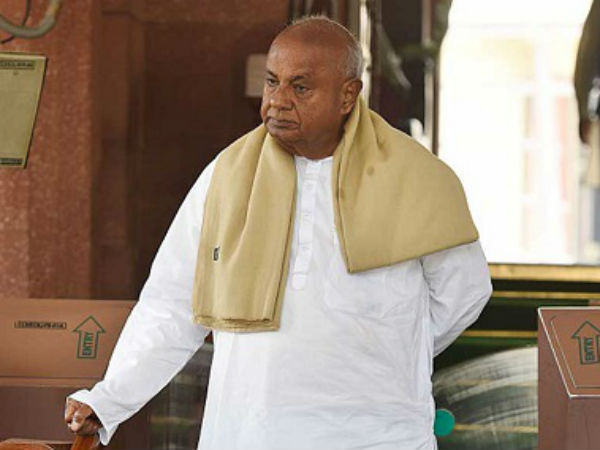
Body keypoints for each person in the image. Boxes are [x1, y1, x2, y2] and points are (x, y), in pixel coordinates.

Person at [64, 16, 492, 450]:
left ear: (348, 95)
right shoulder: (226, 177)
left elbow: (464, 293)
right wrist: (111, 398)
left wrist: (389, 352)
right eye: (272, 82)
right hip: (249, 433)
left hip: (378, 436)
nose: (277, 101)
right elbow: (171, 304)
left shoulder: (417, 178)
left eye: (300, 87)